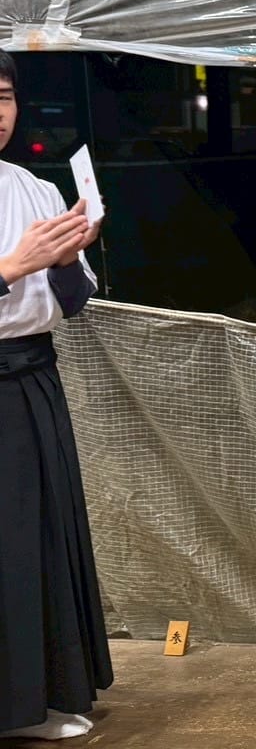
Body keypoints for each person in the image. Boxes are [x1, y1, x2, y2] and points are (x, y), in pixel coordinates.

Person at [0, 51, 112, 741]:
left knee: (34, 541)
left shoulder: (36, 190)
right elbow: (16, 273)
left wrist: (66, 256)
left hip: (33, 381)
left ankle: (32, 704)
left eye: (4, 96)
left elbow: (72, 301)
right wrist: (13, 265)